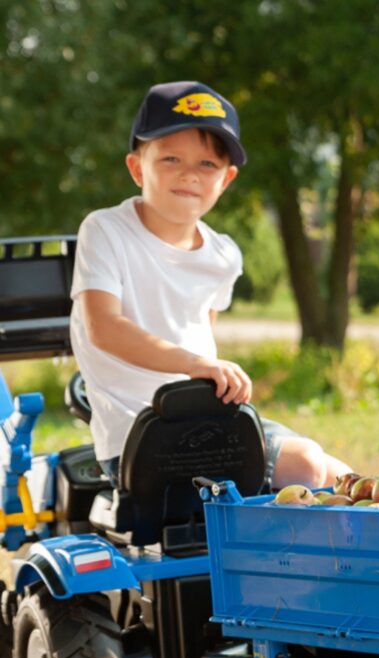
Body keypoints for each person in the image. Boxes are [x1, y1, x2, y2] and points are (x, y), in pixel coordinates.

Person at [70, 80, 351, 490]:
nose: (189, 174)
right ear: (137, 168)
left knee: (342, 475)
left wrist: (205, 369)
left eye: (207, 164)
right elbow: (103, 328)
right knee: (307, 465)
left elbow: (204, 335)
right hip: (140, 439)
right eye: (171, 158)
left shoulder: (223, 254)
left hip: (206, 421)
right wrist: (192, 364)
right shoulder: (105, 231)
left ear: (226, 179)